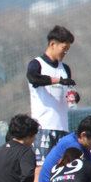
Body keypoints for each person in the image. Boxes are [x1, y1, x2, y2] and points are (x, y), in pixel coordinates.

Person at [27, 25, 78, 169]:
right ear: (52, 44)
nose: (66, 52)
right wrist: (59, 81)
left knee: (63, 168)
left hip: (62, 127)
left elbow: (67, 92)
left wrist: (74, 96)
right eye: (64, 48)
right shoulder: (37, 64)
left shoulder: (65, 68)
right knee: (42, 168)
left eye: (68, 49)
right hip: (43, 127)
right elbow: (34, 78)